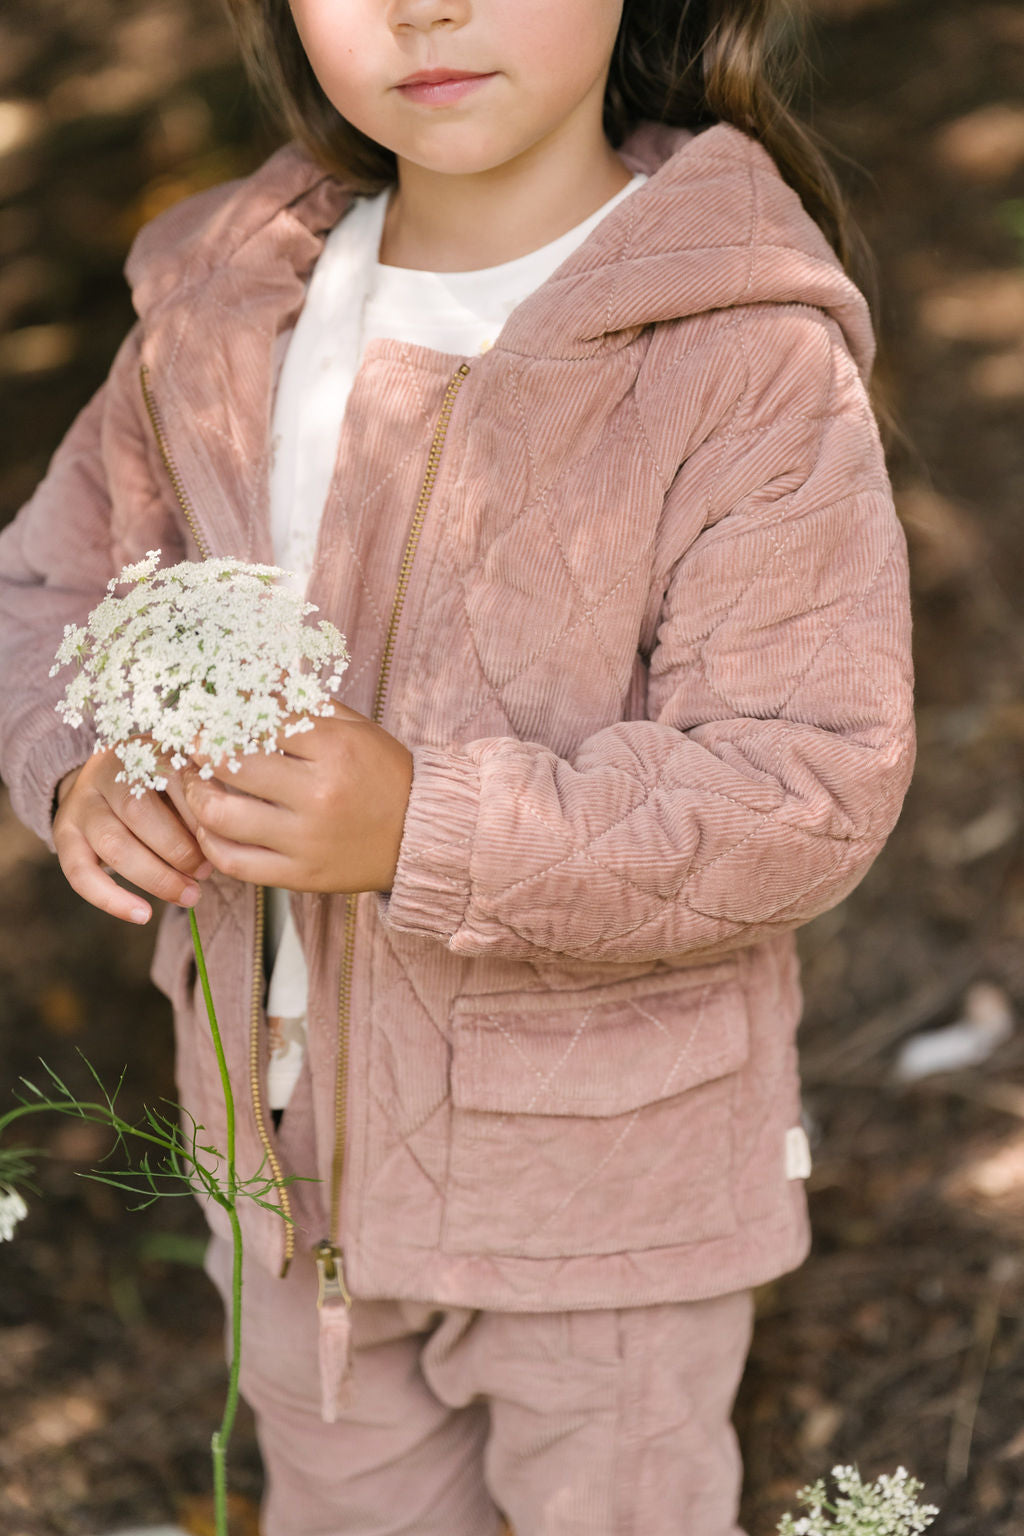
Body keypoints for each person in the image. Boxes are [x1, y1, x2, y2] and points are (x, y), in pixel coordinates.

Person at [0, 1, 915, 1532]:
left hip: (598, 1205)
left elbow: (802, 782)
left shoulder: (736, 351)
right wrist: (91, 760)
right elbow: (48, 594)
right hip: (274, 1162)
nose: (425, 5)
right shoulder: (223, 305)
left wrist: (428, 824)